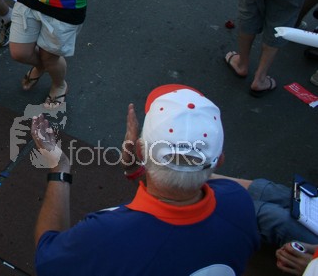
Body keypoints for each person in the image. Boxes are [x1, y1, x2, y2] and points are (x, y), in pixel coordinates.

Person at [31, 84, 260, 274]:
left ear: (140, 151)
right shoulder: (238, 202)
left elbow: (47, 258)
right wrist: (134, 169)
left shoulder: (105, 235)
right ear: (220, 160)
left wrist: (60, 166)